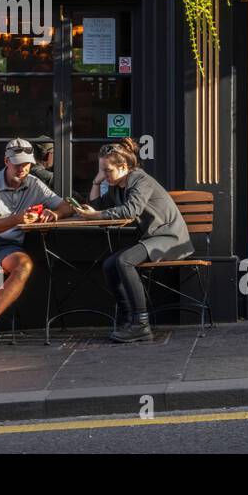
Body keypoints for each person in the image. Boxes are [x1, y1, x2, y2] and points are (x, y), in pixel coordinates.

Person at [0, 138, 75, 355]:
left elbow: (66, 205)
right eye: (18, 163)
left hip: (7, 245)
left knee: (24, 265)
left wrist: (54, 214)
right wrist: (19, 219)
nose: (23, 168)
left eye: (27, 163)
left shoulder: (35, 184)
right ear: (6, 161)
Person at [75, 138, 193, 343]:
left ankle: (141, 324)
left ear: (124, 167)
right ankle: (127, 318)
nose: (105, 175)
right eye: (101, 170)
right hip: (153, 240)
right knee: (110, 264)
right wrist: (97, 181)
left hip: (170, 239)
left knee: (124, 261)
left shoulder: (140, 180)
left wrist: (96, 215)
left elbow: (131, 210)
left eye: (107, 170)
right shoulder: (117, 185)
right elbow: (96, 205)